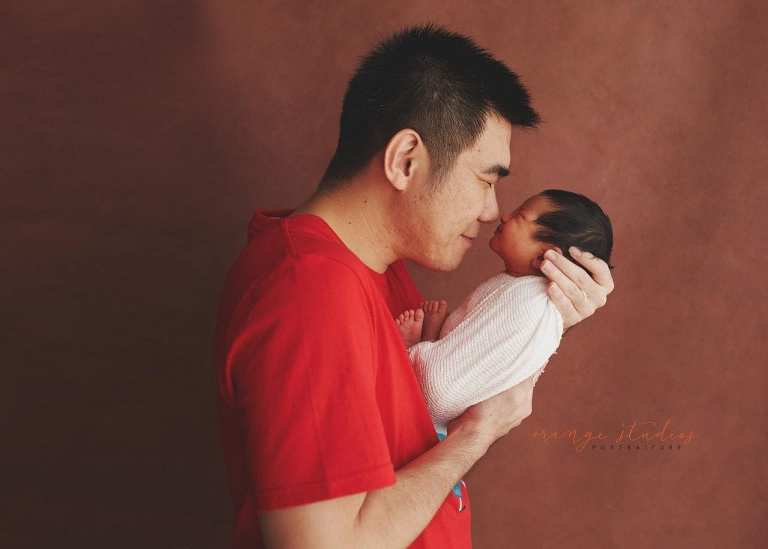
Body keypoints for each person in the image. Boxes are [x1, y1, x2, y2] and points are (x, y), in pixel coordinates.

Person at [213, 24, 615, 549]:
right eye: (486, 179)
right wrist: (479, 432)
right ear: (406, 160)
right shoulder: (309, 293)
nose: (492, 209)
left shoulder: (369, 270)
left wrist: (546, 308)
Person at [395, 190, 614, 443]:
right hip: (434, 412)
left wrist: (413, 351)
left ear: (546, 256)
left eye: (521, 215)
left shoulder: (530, 303)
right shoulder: (519, 288)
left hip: (427, 414)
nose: (504, 215)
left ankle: (416, 349)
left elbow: (440, 391)